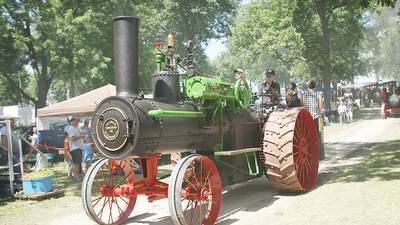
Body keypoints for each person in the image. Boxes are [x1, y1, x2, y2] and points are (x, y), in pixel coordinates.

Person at [301, 80, 324, 160]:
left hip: (307, 117)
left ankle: (310, 154)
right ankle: (320, 155)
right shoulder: (318, 94)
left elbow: (303, 106)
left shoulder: (304, 95)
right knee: (319, 135)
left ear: (308, 86)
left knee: (308, 136)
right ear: (315, 86)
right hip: (317, 117)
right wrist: (321, 110)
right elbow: (320, 107)